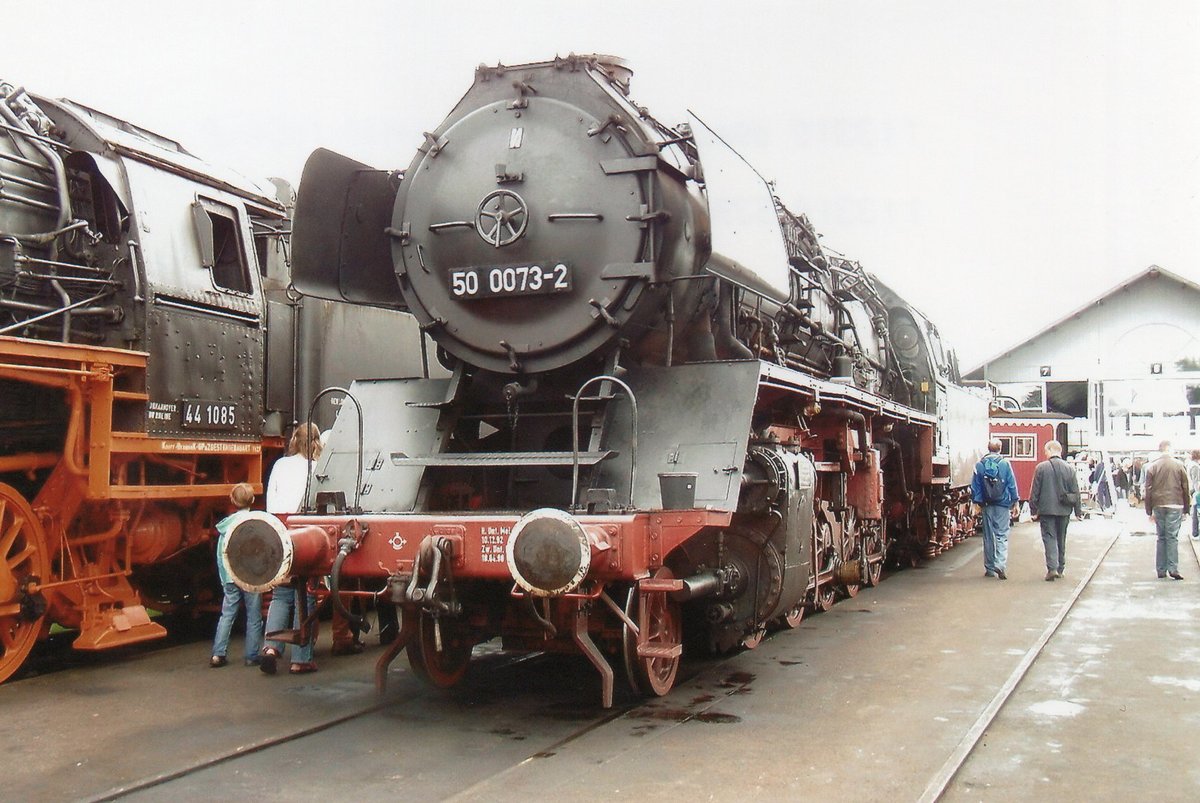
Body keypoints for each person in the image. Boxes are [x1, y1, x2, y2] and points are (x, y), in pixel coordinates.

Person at [261, 423, 322, 674]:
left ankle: (271, 647)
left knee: (281, 594)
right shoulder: (318, 467)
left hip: (278, 527)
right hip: (305, 529)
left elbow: (270, 499)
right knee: (306, 594)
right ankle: (301, 658)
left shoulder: (280, 465)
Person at [210, 483, 264, 667]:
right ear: (253, 500)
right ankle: (252, 655)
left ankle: (218, 654)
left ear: (232, 501)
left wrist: (225, 578)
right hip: (250, 576)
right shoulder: (254, 523)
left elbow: (221, 555)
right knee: (254, 615)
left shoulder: (225, 528)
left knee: (227, 615)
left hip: (230, 576)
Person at [1029, 440, 1082, 581]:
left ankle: (1052, 568)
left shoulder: (1041, 468)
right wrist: (1078, 512)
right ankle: (1060, 568)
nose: (1045, 453)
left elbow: (1035, 491)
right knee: (1061, 538)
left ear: (1051, 450)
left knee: (1049, 538)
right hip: (1064, 510)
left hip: (1047, 510)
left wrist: (1033, 510)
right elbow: (1076, 491)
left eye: (1046, 450)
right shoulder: (1069, 468)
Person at [970, 439, 1019, 579]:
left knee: (988, 536)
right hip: (1002, 504)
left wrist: (976, 503)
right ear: (1000, 448)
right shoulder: (1005, 463)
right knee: (1002, 534)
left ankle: (990, 568)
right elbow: (1011, 484)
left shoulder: (980, 465)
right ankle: (1000, 564)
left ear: (988, 448)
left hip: (987, 505)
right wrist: (1015, 502)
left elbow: (976, 486)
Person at [1143, 440, 1191, 580]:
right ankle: (1173, 568)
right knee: (1172, 537)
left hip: (1158, 505)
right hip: (1175, 504)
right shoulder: (1179, 465)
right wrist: (1186, 509)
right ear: (1170, 449)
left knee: (1161, 537)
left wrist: (1149, 511)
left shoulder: (1152, 467)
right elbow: (1185, 488)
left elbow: (1148, 490)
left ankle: (1161, 569)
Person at [1186, 449, 1200, 540]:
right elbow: (1196, 481)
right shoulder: (1195, 466)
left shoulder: (1191, 464)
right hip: (1196, 492)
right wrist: (1198, 491)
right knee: (1196, 511)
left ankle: (1195, 533)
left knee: (1195, 511)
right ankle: (1195, 533)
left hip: (1192, 491)